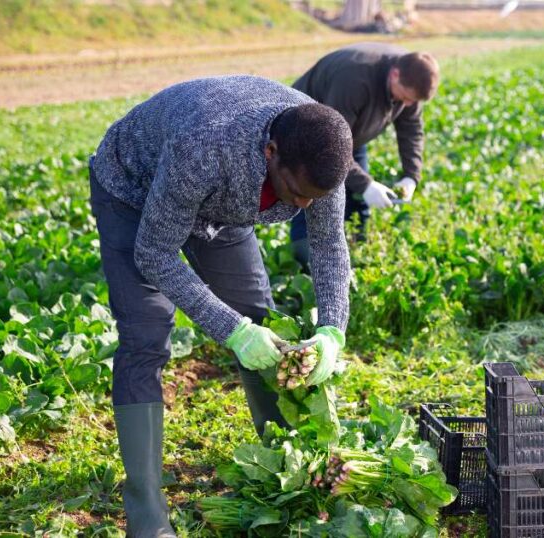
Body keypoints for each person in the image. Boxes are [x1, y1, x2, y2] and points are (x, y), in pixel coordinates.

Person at [89, 75, 353, 537]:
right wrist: (231, 330)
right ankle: (146, 509)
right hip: (134, 193)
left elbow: (329, 246)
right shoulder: (205, 148)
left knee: (259, 316)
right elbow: (154, 254)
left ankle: (285, 469)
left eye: (318, 196)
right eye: (298, 193)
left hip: (222, 207)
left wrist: (333, 329)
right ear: (271, 152)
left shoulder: (322, 150)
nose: (306, 204)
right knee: (146, 336)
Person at [290, 43, 440, 268]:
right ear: (395, 74)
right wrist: (367, 185)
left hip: (351, 132)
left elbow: (411, 130)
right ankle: (306, 263)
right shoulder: (354, 79)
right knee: (314, 193)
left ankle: (355, 251)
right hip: (309, 132)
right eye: (406, 97)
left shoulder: (411, 82)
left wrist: (411, 175)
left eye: (413, 101)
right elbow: (329, 145)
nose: (408, 105)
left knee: (357, 199)